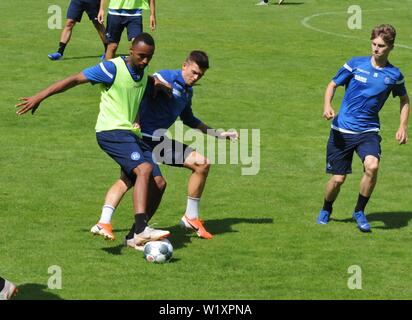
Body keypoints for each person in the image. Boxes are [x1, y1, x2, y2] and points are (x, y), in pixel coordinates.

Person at [17, 33, 170, 249]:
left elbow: (149, 81)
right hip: (111, 132)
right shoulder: (111, 68)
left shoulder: (143, 74)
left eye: (149, 58)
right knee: (143, 170)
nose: (145, 61)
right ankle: (142, 228)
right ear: (131, 50)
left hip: (130, 134)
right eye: (142, 56)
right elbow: (74, 79)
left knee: (159, 183)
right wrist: (40, 96)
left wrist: (162, 86)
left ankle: (130, 235)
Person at [91, 50, 238, 241]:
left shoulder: (187, 92)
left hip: (158, 141)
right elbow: (145, 83)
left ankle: (190, 217)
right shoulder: (167, 76)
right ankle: (120, 227)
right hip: (141, 139)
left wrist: (218, 134)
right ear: (184, 65)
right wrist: (155, 88)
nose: (195, 77)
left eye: (200, 75)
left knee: (201, 163)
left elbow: (190, 120)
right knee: (135, 181)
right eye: (193, 72)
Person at [316, 24, 410, 232]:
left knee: (372, 166)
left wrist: (403, 126)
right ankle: (326, 208)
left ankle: (359, 211)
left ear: (391, 47)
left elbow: (404, 99)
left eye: (381, 46)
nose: (376, 49)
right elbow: (332, 84)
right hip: (342, 130)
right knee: (338, 179)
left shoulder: (394, 75)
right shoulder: (355, 64)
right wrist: (327, 105)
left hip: (368, 132)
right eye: (374, 44)